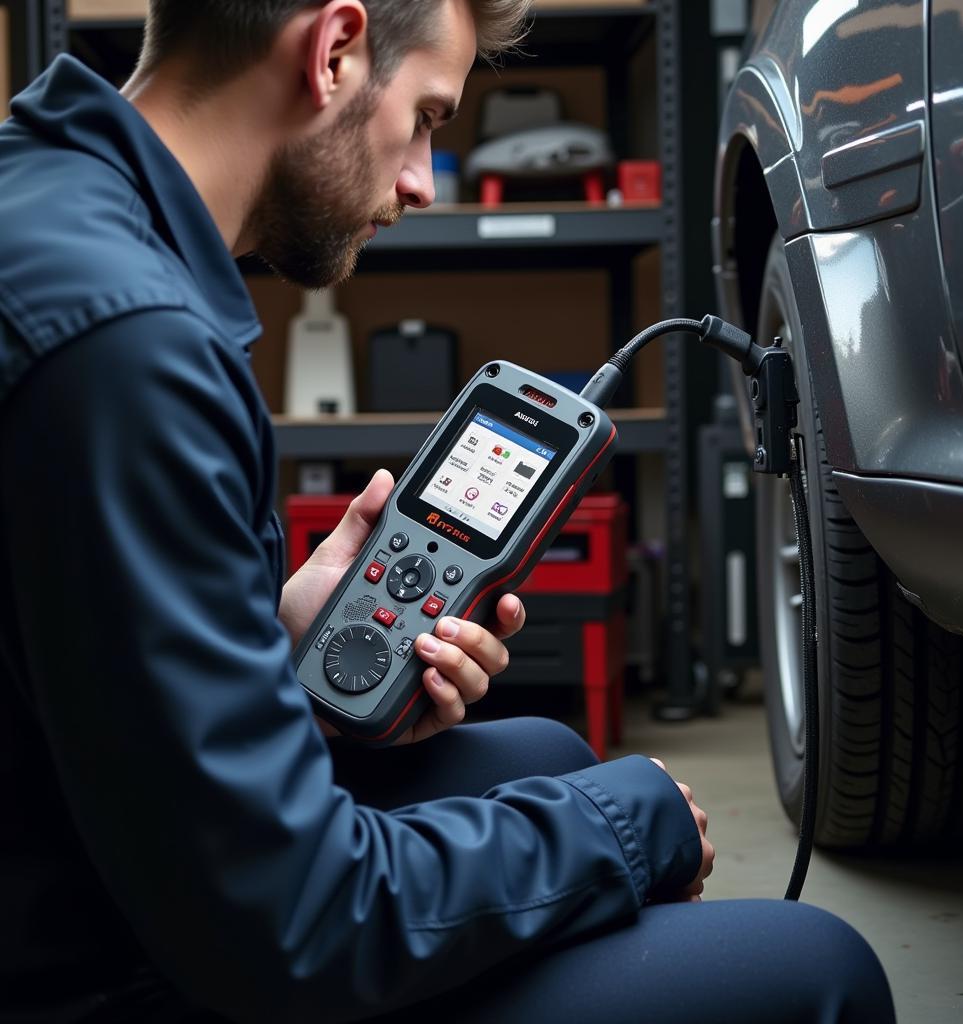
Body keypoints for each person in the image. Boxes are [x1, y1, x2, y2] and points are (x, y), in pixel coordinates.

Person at [0, 1, 896, 1021]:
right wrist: (620, 823)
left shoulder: (42, 195)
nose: (424, 181)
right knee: (818, 969)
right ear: (332, 50)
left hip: (72, 858)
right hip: (100, 968)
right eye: (426, 117)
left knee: (546, 754)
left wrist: (272, 641)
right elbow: (297, 923)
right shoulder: (130, 352)